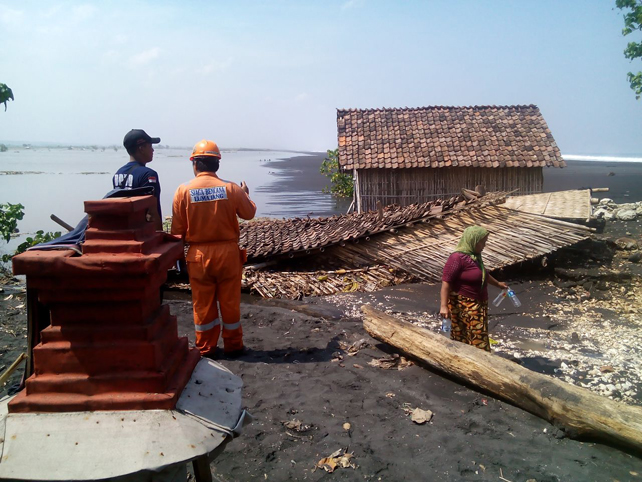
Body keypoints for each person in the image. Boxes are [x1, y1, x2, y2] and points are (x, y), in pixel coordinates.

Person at [171, 140, 256, 358]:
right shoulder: (231, 189)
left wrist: (178, 261)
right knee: (230, 302)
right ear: (217, 164)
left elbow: (177, 233)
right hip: (228, 254)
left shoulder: (183, 191)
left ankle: (206, 347)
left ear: (195, 164)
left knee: (202, 304)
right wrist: (245, 194)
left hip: (198, 256)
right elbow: (249, 214)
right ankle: (234, 346)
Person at [440, 225, 508, 352]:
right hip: (463, 305)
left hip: (478, 305)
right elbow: (446, 282)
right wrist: (443, 306)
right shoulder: (457, 258)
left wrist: (498, 284)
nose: (484, 245)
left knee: (475, 336)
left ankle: (470, 357)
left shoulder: (475, 257)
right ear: (473, 241)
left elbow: (483, 274)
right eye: (482, 242)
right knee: (473, 338)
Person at [113, 129, 163, 230]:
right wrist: (160, 234)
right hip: (141, 232)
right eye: (150, 146)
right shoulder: (148, 175)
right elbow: (152, 211)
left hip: (122, 229)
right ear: (141, 148)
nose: (153, 150)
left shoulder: (118, 173)